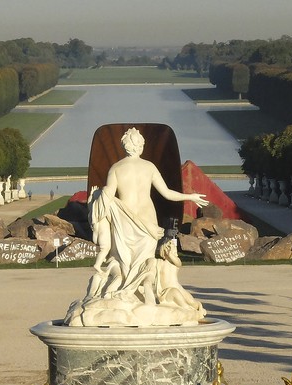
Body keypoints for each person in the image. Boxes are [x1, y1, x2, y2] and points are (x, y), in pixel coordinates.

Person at [88, 127, 208, 304]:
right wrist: (190, 196)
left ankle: (122, 297)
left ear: (125, 147)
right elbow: (167, 193)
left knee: (125, 263)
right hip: (147, 220)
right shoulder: (149, 167)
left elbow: (107, 198)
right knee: (146, 263)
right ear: (141, 146)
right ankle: (145, 298)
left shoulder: (116, 168)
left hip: (124, 222)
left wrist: (95, 206)